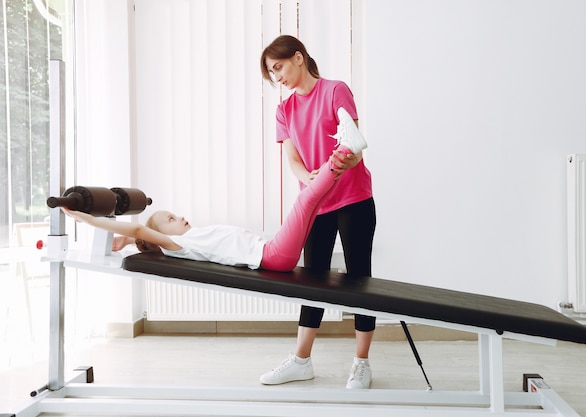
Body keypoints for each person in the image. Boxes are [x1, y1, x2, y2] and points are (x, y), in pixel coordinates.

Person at [62, 108, 366, 275]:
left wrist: (126, 238)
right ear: (163, 235)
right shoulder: (175, 245)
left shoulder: (188, 239)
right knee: (307, 198)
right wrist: (89, 221)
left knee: (313, 201)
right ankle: (344, 149)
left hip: (273, 252)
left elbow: (142, 231)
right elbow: (144, 227)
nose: (178, 216)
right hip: (272, 256)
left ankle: (343, 150)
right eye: (170, 218)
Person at [260, 35, 376, 389]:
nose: (276, 76)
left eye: (278, 67)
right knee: (313, 280)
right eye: (270, 73)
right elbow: (292, 158)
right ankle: (301, 361)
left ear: (298, 57)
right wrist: (307, 177)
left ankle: (361, 364)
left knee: (359, 280)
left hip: (354, 199)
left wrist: (344, 160)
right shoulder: (285, 110)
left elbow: (353, 145)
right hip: (315, 204)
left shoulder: (335, 90)